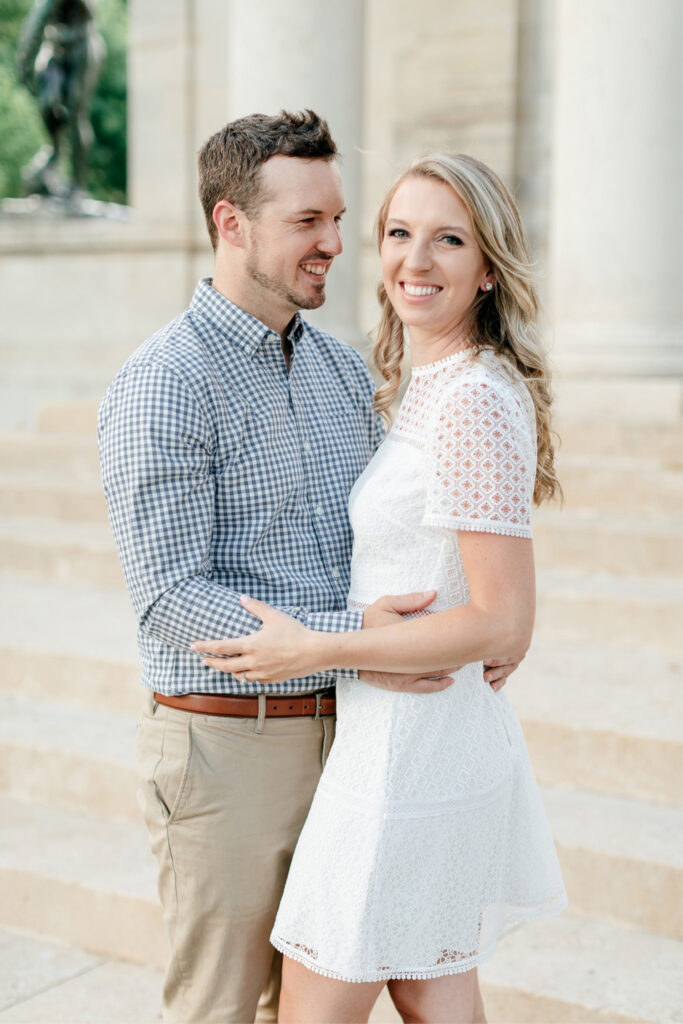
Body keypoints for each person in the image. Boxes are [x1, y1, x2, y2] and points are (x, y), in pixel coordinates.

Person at [98, 114, 518, 1024]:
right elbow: (169, 593)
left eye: (337, 218)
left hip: (362, 738)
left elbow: (390, 543)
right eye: (305, 223)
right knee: (228, 1006)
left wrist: (469, 621)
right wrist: (353, 652)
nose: (335, 243)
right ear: (231, 223)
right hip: (231, 750)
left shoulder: (340, 368)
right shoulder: (164, 379)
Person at [194, 153, 568, 1024]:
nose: (415, 261)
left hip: (410, 752)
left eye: (448, 239)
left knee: (316, 1004)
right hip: (404, 734)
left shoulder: (470, 396)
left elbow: (502, 614)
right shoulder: (426, 387)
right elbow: (494, 608)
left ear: (487, 267)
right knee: (430, 989)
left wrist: (320, 646)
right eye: (399, 234)